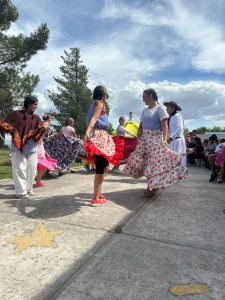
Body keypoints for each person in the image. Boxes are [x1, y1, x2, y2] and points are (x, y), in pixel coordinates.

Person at [123, 88, 187, 197]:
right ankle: (153, 185)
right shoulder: (144, 111)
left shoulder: (161, 109)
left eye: (144, 97)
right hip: (144, 141)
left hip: (155, 140)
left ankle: (151, 188)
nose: (143, 99)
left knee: (153, 164)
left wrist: (164, 140)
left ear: (151, 96)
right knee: (144, 163)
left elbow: (164, 125)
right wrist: (139, 137)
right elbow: (141, 126)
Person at [0, 95, 50, 200]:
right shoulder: (16, 114)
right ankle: (21, 192)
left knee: (32, 170)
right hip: (17, 147)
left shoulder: (36, 118)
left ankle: (28, 189)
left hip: (32, 148)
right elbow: (3, 123)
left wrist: (46, 125)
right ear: (29, 104)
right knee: (19, 169)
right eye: (35, 104)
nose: (36, 107)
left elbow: (43, 131)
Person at [84, 85, 122, 205]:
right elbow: (94, 118)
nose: (106, 98)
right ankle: (95, 198)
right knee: (101, 168)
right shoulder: (99, 103)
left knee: (104, 167)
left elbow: (93, 117)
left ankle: (98, 193)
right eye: (106, 96)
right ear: (103, 95)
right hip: (100, 136)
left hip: (100, 135)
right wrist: (87, 132)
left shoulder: (93, 104)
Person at [163, 101, 186, 167]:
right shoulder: (170, 117)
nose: (166, 109)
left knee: (177, 159)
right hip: (172, 140)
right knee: (171, 160)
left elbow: (180, 128)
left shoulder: (177, 116)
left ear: (173, 108)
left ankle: (177, 173)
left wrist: (171, 138)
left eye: (168, 107)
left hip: (176, 140)